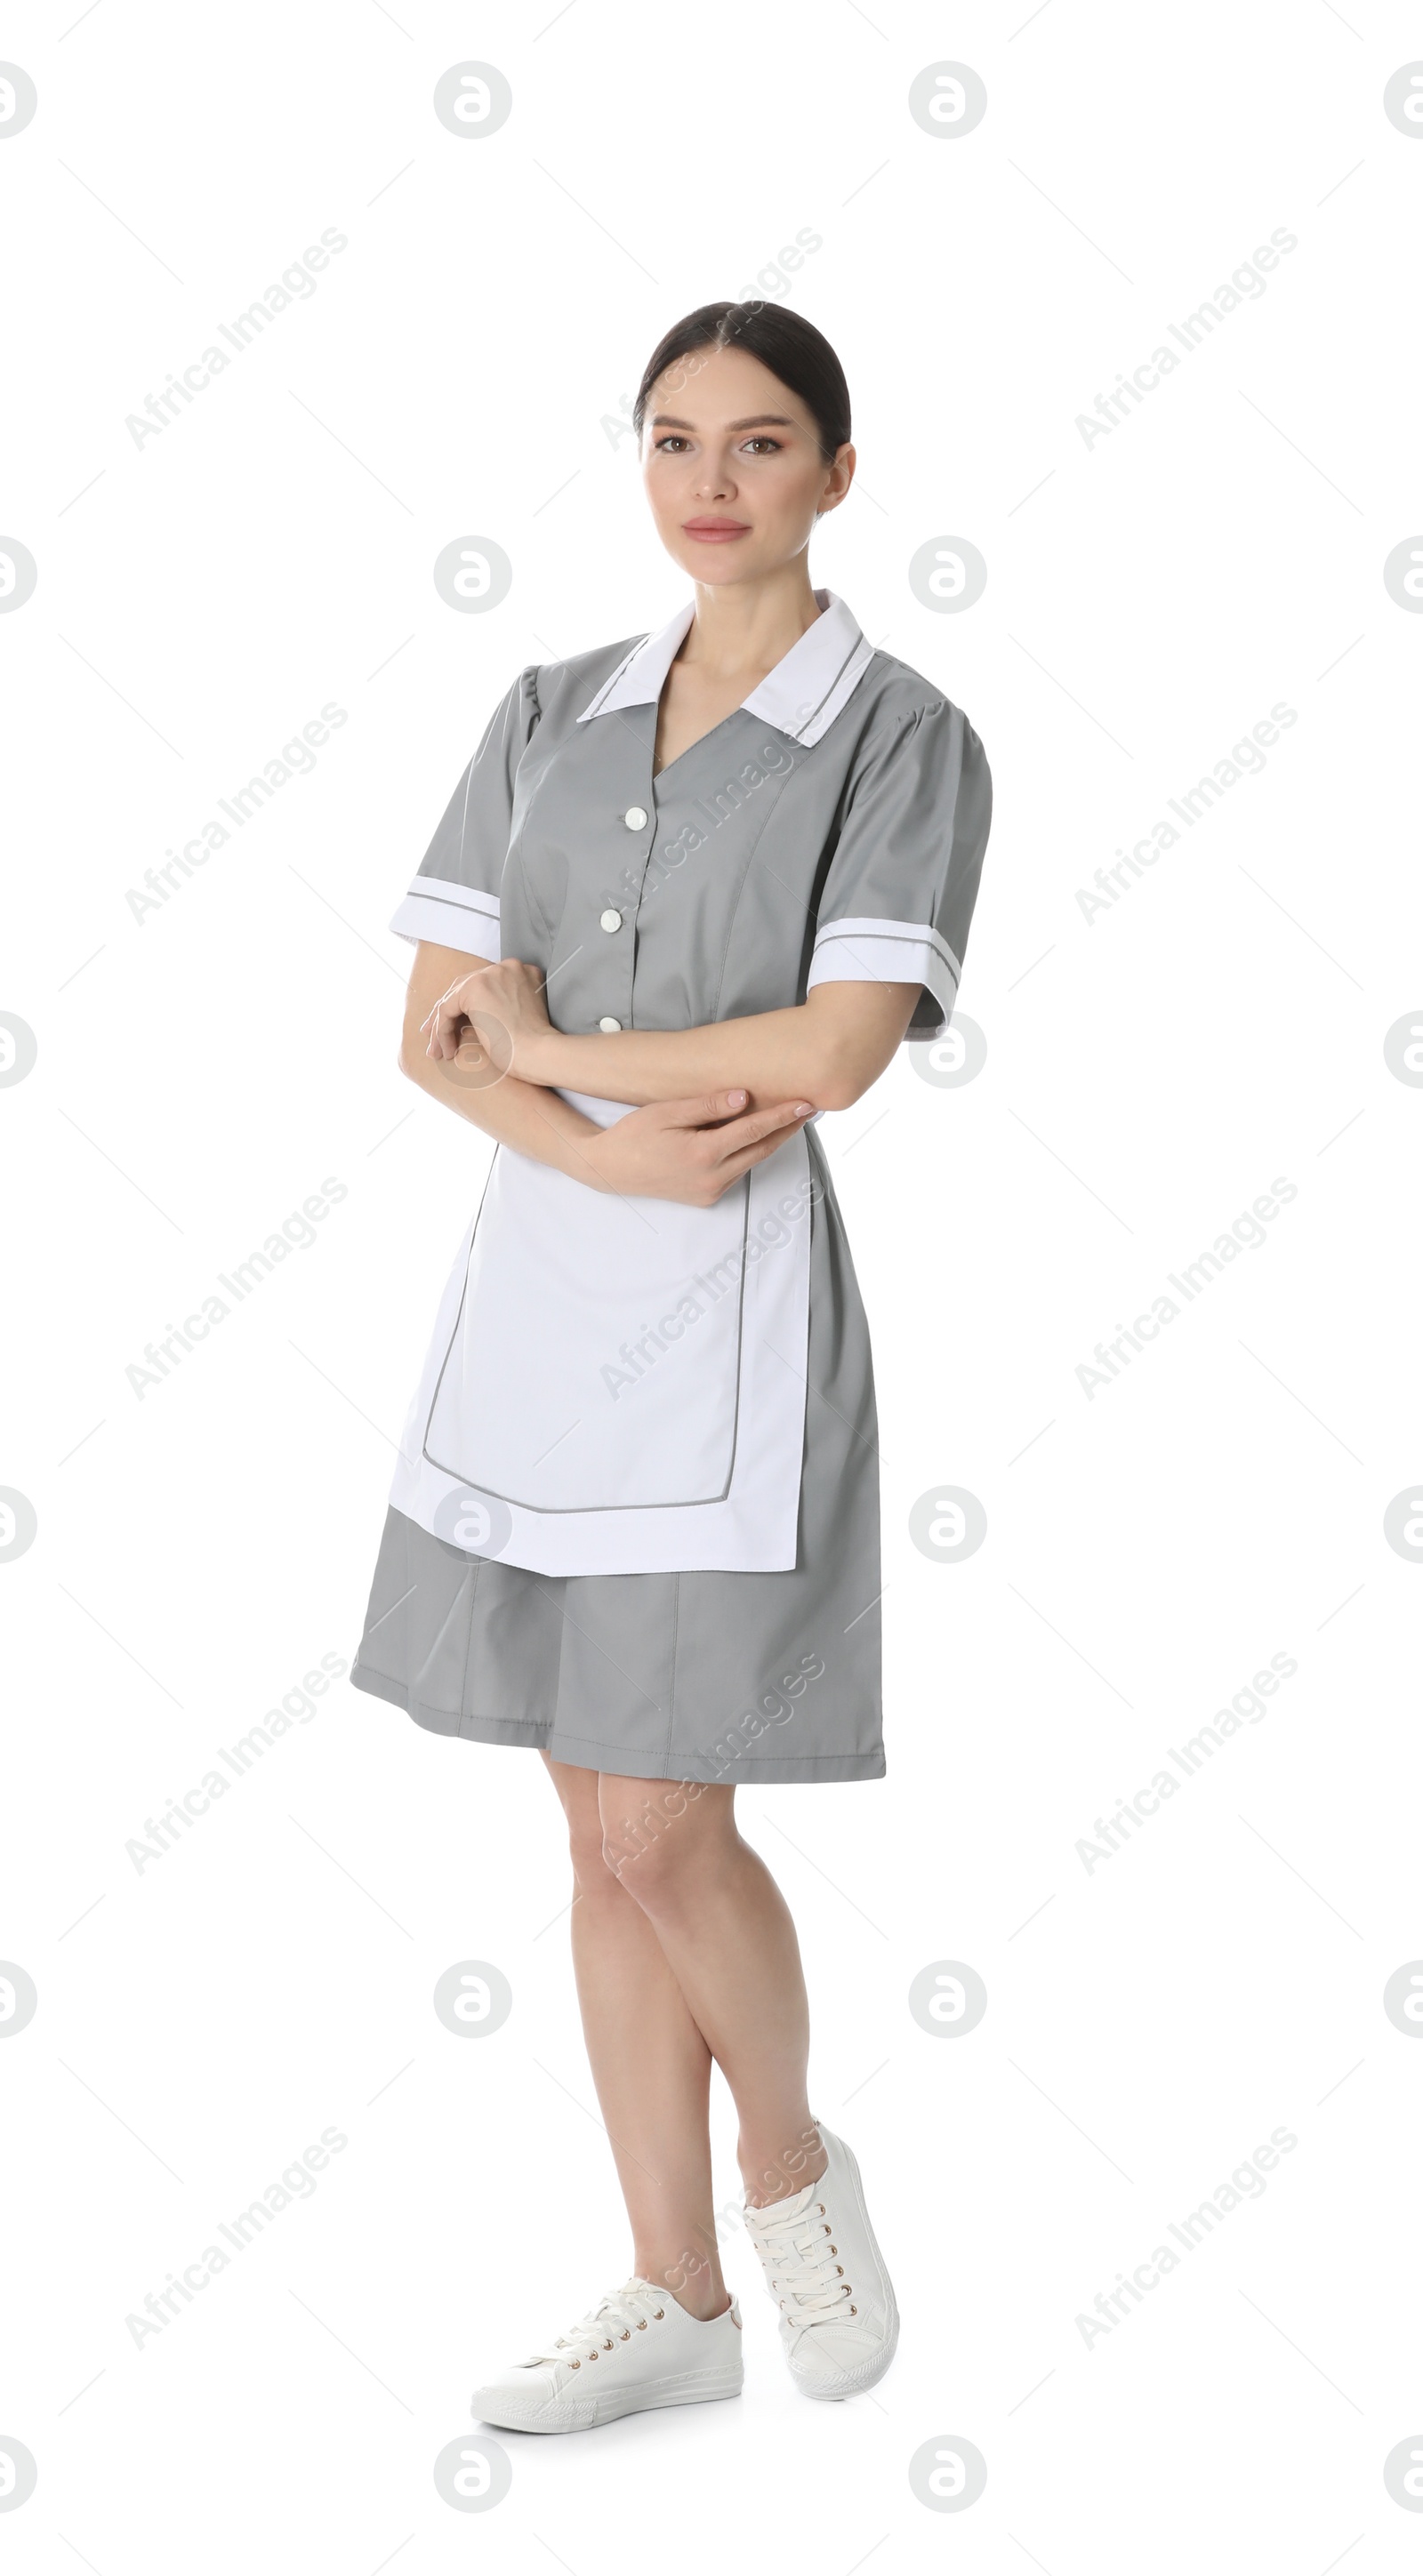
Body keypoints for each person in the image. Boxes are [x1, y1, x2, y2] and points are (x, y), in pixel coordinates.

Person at [351, 301, 993, 2432]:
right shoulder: (543, 707)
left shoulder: (894, 738)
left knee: (656, 1828)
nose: (710, 479)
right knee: (577, 1827)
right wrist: (591, 1147)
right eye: (670, 440)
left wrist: (541, 1052)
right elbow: (424, 1036)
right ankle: (671, 2296)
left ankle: (795, 2171)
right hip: (539, 1297)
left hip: (733, 1326)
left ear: (834, 469)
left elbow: (830, 1053)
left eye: (761, 440)